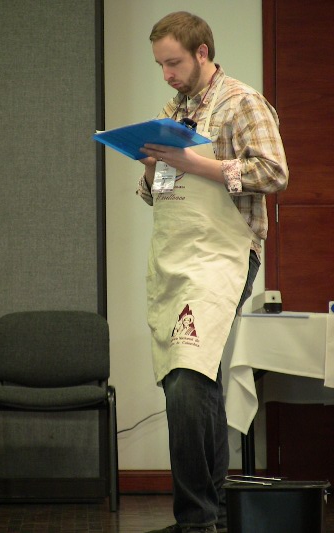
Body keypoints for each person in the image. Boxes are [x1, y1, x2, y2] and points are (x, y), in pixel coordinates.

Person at [136, 11, 289, 533]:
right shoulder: (173, 110)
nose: (167, 75)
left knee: (187, 379)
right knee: (192, 381)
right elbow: (158, 194)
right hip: (176, 254)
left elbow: (275, 172)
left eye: (174, 63)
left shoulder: (241, 102)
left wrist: (197, 164)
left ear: (202, 52)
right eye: (160, 65)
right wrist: (152, 169)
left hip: (225, 253)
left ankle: (196, 519)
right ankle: (211, 515)